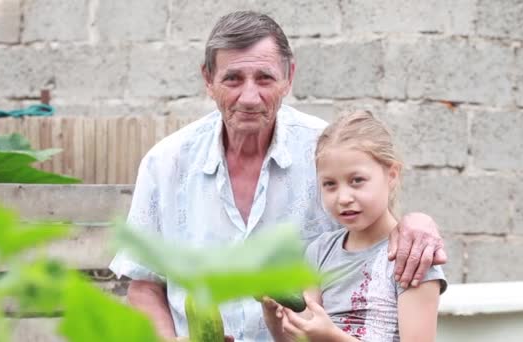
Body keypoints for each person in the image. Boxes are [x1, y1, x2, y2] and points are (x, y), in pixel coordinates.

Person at [109, 10, 447, 342]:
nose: (250, 97)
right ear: (208, 80)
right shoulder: (165, 163)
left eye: (265, 78)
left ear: (289, 77)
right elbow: (145, 286)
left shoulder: (327, 154)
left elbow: (377, 220)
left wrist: (417, 221)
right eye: (233, 79)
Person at [262, 111, 447, 342]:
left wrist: (332, 338)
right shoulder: (320, 251)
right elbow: (305, 337)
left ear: (392, 175)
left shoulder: (411, 257)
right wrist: (274, 320)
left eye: (356, 180)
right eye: (330, 184)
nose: (343, 198)